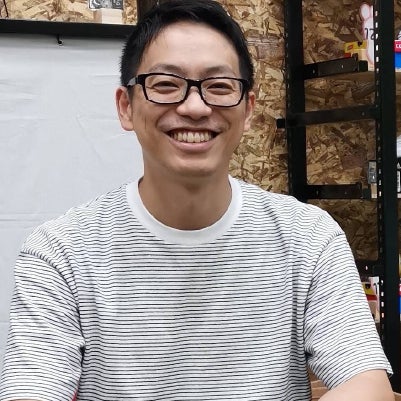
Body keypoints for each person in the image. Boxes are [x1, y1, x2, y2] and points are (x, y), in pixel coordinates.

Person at [0, 0, 395, 400]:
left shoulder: (307, 237)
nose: (194, 107)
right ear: (126, 106)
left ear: (248, 110)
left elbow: (367, 384)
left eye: (219, 86)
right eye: (165, 85)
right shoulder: (61, 252)